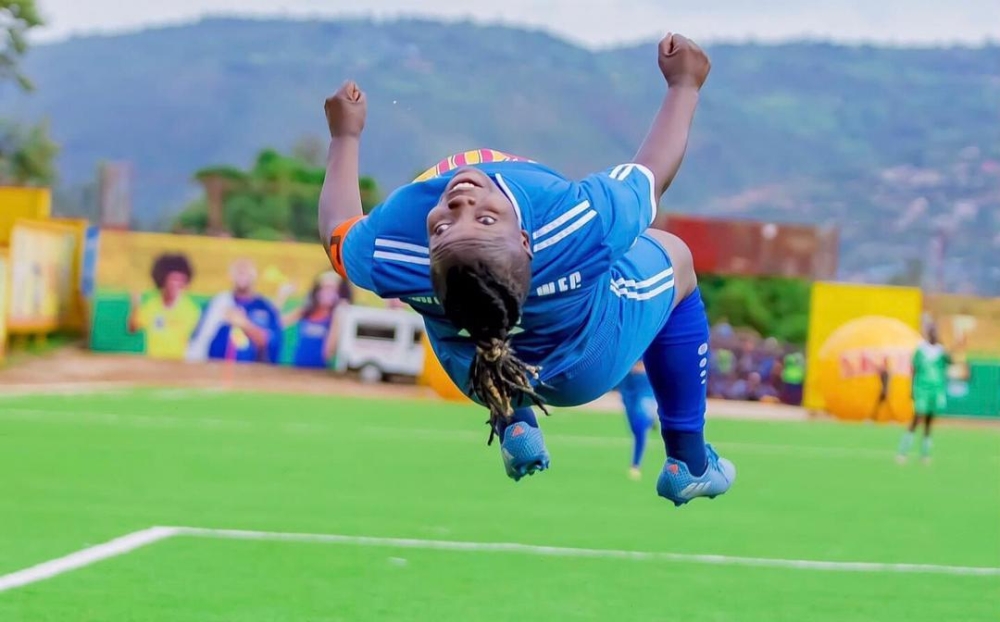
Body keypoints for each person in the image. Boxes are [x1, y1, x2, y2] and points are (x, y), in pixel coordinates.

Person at [319, 33, 735, 507]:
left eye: (446, 226)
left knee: (463, 318)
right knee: (676, 256)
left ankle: (511, 416)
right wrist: (685, 85)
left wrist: (343, 137)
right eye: (482, 219)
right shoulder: (573, 224)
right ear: (523, 240)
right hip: (585, 363)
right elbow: (651, 174)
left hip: (478, 374)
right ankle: (688, 460)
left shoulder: (398, 249)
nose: (460, 202)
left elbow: (337, 230)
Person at [187, 258, 283, 364]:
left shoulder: (265, 307)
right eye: (238, 271)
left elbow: (269, 342)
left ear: (254, 275)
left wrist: (244, 324)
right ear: (231, 275)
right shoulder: (219, 302)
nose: (242, 275)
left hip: (251, 372)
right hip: (216, 368)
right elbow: (200, 338)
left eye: (246, 271)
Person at [127, 253, 201, 360]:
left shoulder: (191, 309)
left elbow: (194, 340)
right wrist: (135, 305)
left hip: (180, 364)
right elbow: (133, 328)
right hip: (153, 362)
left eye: (181, 280)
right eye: (173, 279)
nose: (176, 285)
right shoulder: (151, 305)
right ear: (163, 279)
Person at [897, 326, 951, 464]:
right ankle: (903, 451)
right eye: (932, 333)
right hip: (922, 389)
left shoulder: (941, 351)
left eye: (936, 333)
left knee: (929, 421)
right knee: (917, 418)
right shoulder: (920, 350)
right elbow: (914, 369)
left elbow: (951, 361)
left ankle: (925, 454)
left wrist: (952, 346)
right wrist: (912, 388)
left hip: (935, 390)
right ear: (928, 335)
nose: (934, 335)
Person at [281, 271, 348, 369]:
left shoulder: (335, 318)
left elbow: (328, 352)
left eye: (332, 289)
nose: (327, 293)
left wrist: (338, 316)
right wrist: (283, 296)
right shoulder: (305, 311)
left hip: (319, 371)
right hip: (297, 366)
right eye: (324, 288)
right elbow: (279, 324)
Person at [617, 363, 658, 480]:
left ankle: (635, 465)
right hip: (627, 384)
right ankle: (650, 420)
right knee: (634, 428)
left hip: (645, 384)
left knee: (639, 425)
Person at [869, 356, 895, 422]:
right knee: (880, 405)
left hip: (885, 390)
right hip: (884, 390)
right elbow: (878, 370)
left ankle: (892, 419)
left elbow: (887, 381)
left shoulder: (887, 371)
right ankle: (873, 418)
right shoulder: (886, 370)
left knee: (887, 406)